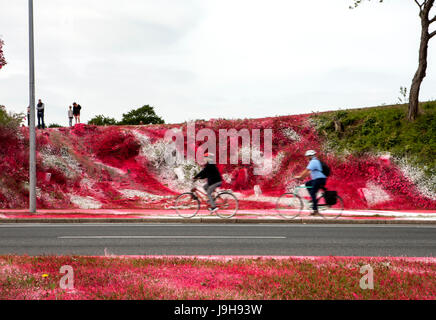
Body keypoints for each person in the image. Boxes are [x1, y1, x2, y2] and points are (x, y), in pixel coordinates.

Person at [295, 150, 327, 215]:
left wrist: (300, 177)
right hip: (318, 179)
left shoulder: (313, 161)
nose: (307, 158)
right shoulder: (314, 161)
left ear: (311, 156)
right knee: (307, 184)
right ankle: (314, 199)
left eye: (307, 156)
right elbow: (309, 172)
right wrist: (302, 177)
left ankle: (315, 211)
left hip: (319, 179)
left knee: (312, 192)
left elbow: (306, 170)